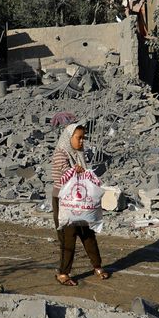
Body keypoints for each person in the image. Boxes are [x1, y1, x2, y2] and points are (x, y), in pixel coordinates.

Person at [50, 123, 109, 286]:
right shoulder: (61, 153)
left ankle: (97, 266)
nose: (82, 141)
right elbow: (64, 173)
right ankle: (63, 273)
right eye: (79, 138)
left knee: (88, 234)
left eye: (83, 138)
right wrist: (75, 170)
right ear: (69, 138)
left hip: (81, 200)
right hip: (64, 201)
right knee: (68, 237)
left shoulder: (79, 154)